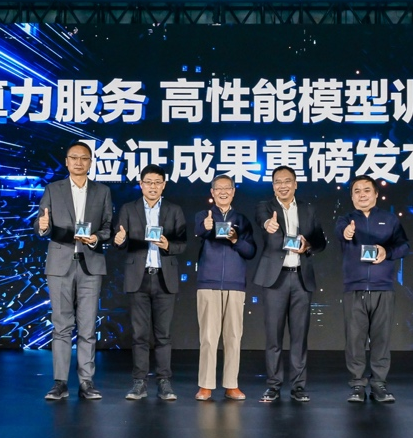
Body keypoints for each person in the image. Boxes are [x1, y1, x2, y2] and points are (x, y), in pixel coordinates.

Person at [36, 142, 113, 401]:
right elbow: (41, 223)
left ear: (91, 162)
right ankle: (60, 383)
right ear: (66, 161)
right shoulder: (53, 189)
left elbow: (108, 226)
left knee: (88, 327)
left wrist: (96, 237)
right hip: (60, 264)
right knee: (61, 326)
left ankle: (86, 382)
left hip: (91, 263)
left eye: (84, 158)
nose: (79, 162)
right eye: (74, 158)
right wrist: (43, 226)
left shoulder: (102, 191)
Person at [112, 164, 188, 401]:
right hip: (139, 278)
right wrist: (119, 240)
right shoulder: (129, 209)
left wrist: (168, 245)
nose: (153, 186)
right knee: (140, 335)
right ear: (141, 184)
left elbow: (183, 244)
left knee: (163, 335)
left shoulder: (174, 210)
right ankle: (139, 382)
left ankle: (164, 382)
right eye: (148, 182)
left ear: (163, 185)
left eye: (157, 182)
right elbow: (120, 241)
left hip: (164, 278)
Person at [253, 166, 327, 403]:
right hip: (275, 279)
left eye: (287, 181)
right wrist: (268, 224)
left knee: (299, 336)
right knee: (273, 337)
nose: (282, 186)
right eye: (277, 182)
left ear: (295, 184)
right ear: (273, 186)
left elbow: (320, 241)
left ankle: (298, 386)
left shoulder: (308, 209)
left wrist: (308, 246)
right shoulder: (265, 207)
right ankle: (273, 386)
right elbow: (262, 220)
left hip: (301, 278)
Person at [336, 175, 410, 403]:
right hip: (354, 288)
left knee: (381, 339)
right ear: (352, 197)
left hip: (383, 288)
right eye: (356, 191)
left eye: (366, 190)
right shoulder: (345, 220)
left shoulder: (389, 219)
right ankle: (357, 385)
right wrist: (347, 233)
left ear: (376, 194)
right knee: (355, 340)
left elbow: (404, 246)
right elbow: (340, 232)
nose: (362, 195)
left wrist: (387, 252)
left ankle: (379, 384)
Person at [194, 175, 257, 401]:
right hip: (208, 283)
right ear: (212, 192)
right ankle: (205, 386)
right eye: (218, 188)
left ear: (233, 191)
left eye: (227, 188)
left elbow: (250, 251)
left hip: (235, 284)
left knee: (233, 336)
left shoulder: (242, 219)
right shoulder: (203, 216)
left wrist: (235, 240)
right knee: (208, 337)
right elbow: (199, 231)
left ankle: (232, 385)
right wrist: (206, 227)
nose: (223, 192)